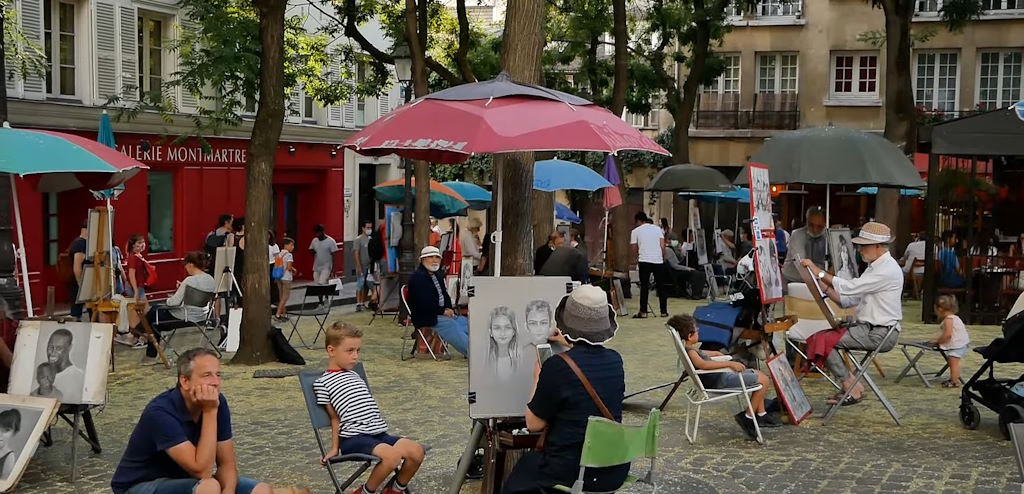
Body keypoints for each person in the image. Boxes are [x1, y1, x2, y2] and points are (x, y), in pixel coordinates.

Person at [502, 285, 627, 494]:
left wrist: (537, 376)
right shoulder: (616, 360)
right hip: (611, 469)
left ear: (566, 322)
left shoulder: (557, 366)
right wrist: (570, 344)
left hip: (569, 472)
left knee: (521, 477)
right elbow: (589, 364)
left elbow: (533, 424)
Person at [110, 348, 273, 494]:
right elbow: (202, 471)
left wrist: (229, 491)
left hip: (189, 483)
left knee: (262, 490)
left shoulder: (218, 402)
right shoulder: (160, 412)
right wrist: (210, 411)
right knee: (209, 487)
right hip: (139, 486)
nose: (216, 382)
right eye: (207, 375)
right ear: (185, 381)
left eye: (218, 375)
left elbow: (227, 464)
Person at [313, 322, 425, 494]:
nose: (355, 356)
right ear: (331, 350)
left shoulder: (355, 374)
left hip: (378, 434)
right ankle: (365, 492)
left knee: (416, 451)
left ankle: (394, 490)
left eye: (358, 350)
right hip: (354, 438)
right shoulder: (323, 383)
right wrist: (335, 448)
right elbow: (334, 418)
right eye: (350, 351)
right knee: (392, 456)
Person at [800, 221, 903, 405]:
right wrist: (827, 290)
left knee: (822, 340)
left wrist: (820, 273)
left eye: (864, 246)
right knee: (821, 338)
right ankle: (852, 385)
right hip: (872, 329)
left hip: (878, 332)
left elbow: (850, 287)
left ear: (877, 246)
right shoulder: (876, 267)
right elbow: (850, 299)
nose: (860, 250)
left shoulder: (886, 269)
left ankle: (850, 386)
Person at [668, 314, 779, 438]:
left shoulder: (689, 350)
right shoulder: (692, 353)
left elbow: (703, 356)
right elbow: (703, 364)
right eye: (697, 330)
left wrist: (715, 354)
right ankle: (747, 417)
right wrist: (729, 364)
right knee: (763, 380)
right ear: (690, 336)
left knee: (760, 375)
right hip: (719, 381)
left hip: (717, 377)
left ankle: (761, 414)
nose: (698, 331)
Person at [139, 252, 218, 366]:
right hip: (202, 315)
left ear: (190, 265)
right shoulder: (210, 280)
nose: (186, 269)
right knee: (154, 312)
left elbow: (174, 302)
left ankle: (147, 346)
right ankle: (142, 333)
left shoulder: (189, 280)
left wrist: (168, 299)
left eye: (186, 266)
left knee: (154, 319)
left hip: (185, 316)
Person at [407, 246, 469, 356]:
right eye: (430, 257)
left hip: (440, 313)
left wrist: (448, 308)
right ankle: (473, 354)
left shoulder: (437, 275)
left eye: (437, 257)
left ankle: (484, 350)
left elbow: (444, 295)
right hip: (426, 316)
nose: (434, 260)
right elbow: (424, 304)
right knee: (452, 326)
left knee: (466, 323)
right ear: (423, 260)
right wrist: (442, 311)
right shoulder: (418, 278)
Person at [631, 212, 668, 318]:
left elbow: (634, 248)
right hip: (658, 260)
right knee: (661, 286)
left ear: (638, 221)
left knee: (644, 286)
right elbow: (662, 245)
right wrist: (662, 256)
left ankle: (643, 312)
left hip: (644, 260)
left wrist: (639, 254)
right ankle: (663, 311)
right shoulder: (658, 229)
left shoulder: (635, 231)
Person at [930, 295, 970, 388]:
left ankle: (955, 381)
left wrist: (938, 342)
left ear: (939, 309)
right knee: (953, 362)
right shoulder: (955, 317)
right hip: (962, 343)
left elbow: (948, 334)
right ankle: (953, 378)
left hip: (957, 345)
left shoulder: (948, 320)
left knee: (953, 363)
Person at [782, 206, 828, 284]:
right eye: (811, 225)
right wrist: (825, 274)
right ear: (806, 221)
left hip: (818, 280)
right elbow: (802, 265)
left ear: (825, 224)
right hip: (793, 280)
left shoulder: (827, 236)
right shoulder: (797, 235)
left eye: (819, 226)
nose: (815, 230)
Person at [47, 328, 84, 402]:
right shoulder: (42, 374)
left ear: (69, 348)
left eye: (58, 348)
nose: (53, 352)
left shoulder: (77, 375)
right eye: (51, 347)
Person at [125, 234, 151, 330]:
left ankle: (142, 333)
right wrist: (135, 290)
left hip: (139, 286)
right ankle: (136, 334)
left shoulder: (138, 256)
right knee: (141, 311)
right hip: (135, 287)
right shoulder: (133, 258)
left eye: (143, 242)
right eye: (139, 243)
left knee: (142, 311)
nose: (142, 245)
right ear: (133, 245)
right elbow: (131, 274)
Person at [487, 306, 519, 380]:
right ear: (490, 332)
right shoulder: (484, 360)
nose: (502, 333)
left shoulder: (521, 358)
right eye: (497, 328)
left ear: (514, 331)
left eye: (507, 327)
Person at [68, 220, 88, 320]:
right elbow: (77, 267)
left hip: (80, 281)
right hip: (79, 282)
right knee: (77, 313)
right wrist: (81, 285)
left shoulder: (78, 242)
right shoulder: (81, 244)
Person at [274, 238, 296, 322]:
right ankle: (278, 314)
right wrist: (294, 270)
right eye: (291, 245)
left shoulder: (279, 254)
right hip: (286, 277)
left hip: (279, 277)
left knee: (281, 296)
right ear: (286, 245)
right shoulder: (289, 255)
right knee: (285, 297)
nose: (292, 247)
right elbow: (289, 267)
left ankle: (283, 314)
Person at [354, 221, 373, 312]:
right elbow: (356, 254)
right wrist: (359, 266)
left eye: (370, 228)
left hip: (369, 266)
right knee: (360, 284)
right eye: (367, 228)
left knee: (367, 285)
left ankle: (363, 302)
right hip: (362, 265)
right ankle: (358, 302)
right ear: (363, 228)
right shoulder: (358, 240)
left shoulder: (371, 239)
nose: (369, 230)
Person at [0, 409, 19, 479]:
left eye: (6, 430)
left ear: (14, 433)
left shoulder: (9, 457)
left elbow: (4, 482)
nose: (0, 434)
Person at [267, 231, 281, 312]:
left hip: (272, 265)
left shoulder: (274, 246)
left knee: (273, 284)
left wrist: (277, 272)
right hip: (264, 266)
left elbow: (278, 260)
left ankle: (275, 301)